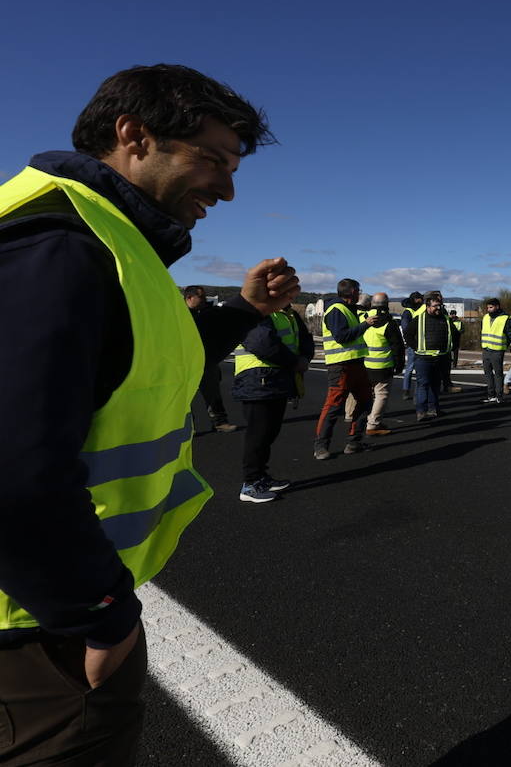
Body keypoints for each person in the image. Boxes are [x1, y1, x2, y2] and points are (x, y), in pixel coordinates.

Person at [0, 63, 297, 765]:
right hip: (37, 631)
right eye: (212, 161)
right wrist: (98, 615)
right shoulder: (61, 244)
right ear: (133, 136)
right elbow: (12, 465)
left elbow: (140, 358)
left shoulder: (104, 239)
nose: (226, 188)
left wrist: (244, 309)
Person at [232, 306, 313, 502]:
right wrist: (295, 362)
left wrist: (303, 357)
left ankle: (260, 477)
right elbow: (261, 342)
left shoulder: (288, 314)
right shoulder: (257, 310)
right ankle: (250, 484)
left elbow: (305, 338)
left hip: (276, 379)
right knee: (258, 434)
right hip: (257, 379)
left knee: (269, 432)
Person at [314, 278, 387, 458]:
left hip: (357, 364)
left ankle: (354, 442)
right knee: (333, 406)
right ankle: (321, 446)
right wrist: (365, 324)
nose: (360, 293)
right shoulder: (336, 310)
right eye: (359, 290)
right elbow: (342, 337)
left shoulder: (349, 310)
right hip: (341, 366)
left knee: (365, 403)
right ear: (353, 291)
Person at [184, 285, 240, 433]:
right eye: (200, 297)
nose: (204, 300)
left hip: (206, 361)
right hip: (185, 362)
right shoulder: (179, 315)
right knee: (184, 398)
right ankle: (188, 427)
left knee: (213, 393)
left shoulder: (207, 313)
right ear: (189, 298)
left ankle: (219, 422)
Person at [356, 292, 402, 436]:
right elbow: (397, 346)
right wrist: (399, 364)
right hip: (383, 366)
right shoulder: (389, 322)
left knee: (367, 396)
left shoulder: (363, 318)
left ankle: (358, 420)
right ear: (387, 304)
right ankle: (373, 424)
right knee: (381, 395)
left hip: (364, 364)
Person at [403, 291, 451, 420]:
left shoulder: (445, 319)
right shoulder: (419, 319)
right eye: (435, 306)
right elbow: (407, 334)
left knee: (435, 385)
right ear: (428, 307)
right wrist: (416, 347)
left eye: (439, 306)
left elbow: (454, 334)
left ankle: (433, 409)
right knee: (423, 384)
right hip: (423, 358)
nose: (438, 308)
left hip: (440, 358)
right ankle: (421, 411)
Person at [480, 298, 511, 403]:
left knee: (498, 374)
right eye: (487, 307)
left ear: (497, 307)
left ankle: (499, 396)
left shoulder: (506, 318)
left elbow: (510, 334)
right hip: (486, 349)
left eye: (491, 307)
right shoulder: (485, 317)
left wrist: (509, 344)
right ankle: (490, 395)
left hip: (497, 350)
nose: (488, 309)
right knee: (487, 373)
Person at [400, 290, 423, 400]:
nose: (421, 301)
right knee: (410, 368)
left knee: (418, 369)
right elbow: (405, 329)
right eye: (419, 298)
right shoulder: (408, 312)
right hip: (413, 344)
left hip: (420, 343)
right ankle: (406, 390)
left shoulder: (418, 310)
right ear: (415, 299)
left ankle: (417, 393)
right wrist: (411, 342)